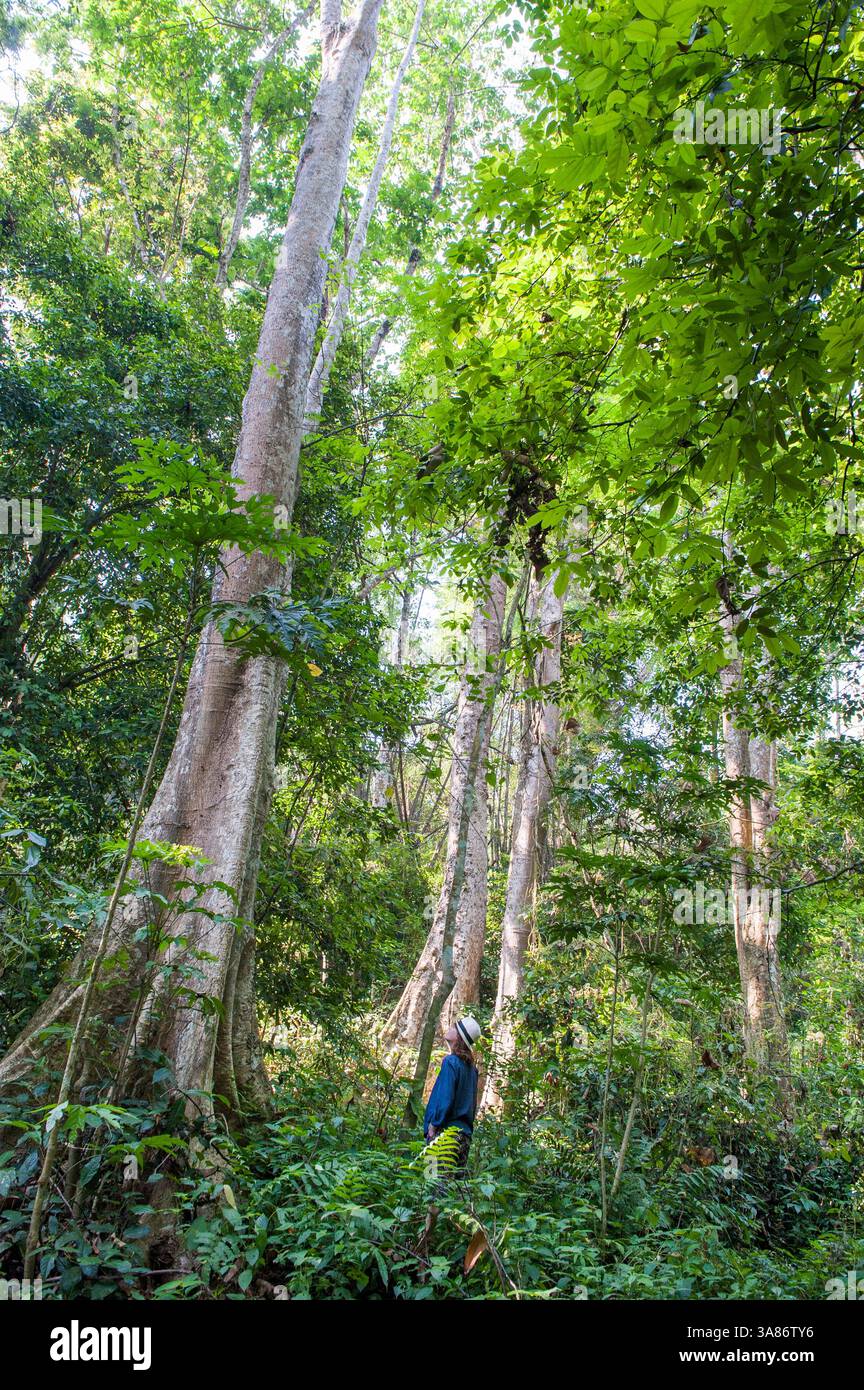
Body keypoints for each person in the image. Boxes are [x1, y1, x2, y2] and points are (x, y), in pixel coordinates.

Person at [423, 1016, 481, 1176]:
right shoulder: (472, 1070)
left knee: (433, 1186)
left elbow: (445, 1098)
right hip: (464, 1137)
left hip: (444, 1135)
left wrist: (434, 1126)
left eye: (454, 1027)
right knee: (453, 1190)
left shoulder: (450, 1062)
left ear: (459, 1037)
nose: (450, 1028)